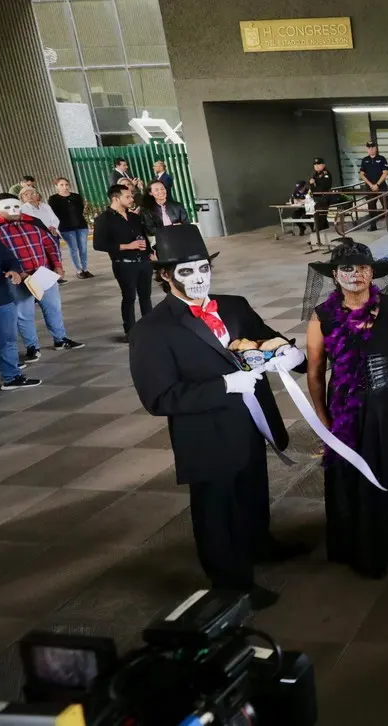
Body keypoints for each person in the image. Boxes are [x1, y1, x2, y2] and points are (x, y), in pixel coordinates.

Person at [129, 225, 307, 610]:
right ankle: (231, 585)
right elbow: (158, 398)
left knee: (253, 490)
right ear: (165, 274)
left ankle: (261, 545)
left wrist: (293, 356)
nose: (198, 279)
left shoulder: (235, 306)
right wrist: (226, 385)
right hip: (205, 435)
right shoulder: (151, 331)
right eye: (187, 272)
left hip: (251, 421)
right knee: (216, 510)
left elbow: (267, 339)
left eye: (203, 270)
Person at [304, 239, 388, 578]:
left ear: (373, 273)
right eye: (347, 268)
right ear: (334, 275)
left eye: (363, 267)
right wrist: (322, 418)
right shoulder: (322, 317)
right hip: (348, 412)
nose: (356, 274)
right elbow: (314, 373)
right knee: (354, 474)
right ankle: (361, 545)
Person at [0, 195, 82, 358]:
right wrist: (15, 271)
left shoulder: (34, 224)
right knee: (24, 313)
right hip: (17, 279)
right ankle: (32, 347)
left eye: (16, 206)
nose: (13, 211)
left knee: (53, 308)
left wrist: (58, 265)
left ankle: (60, 339)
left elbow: (50, 245)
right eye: (8, 207)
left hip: (43, 273)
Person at [0, 230, 40, 405]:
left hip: (2, 299)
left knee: (8, 340)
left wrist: (14, 270)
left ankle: (12, 377)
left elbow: (9, 258)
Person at [93, 184, 153, 339]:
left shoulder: (134, 217)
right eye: (127, 196)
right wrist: (127, 246)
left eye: (131, 196)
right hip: (124, 264)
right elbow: (98, 244)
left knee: (146, 296)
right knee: (129, 296)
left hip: (143, 262)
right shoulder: (103, 219)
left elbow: (143, 237)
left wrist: (150, 253)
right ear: (115, 198)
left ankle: (151, 327)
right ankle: (130, 331)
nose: (131, 199)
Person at [49, 178, 93, 279]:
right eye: (61, 185)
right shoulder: (54, 199)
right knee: (73, 248)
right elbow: (54, 213)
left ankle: (85, 269)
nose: (65, 187)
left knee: (83, 248)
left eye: (66, 184)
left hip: (81, 226)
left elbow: (80, 209)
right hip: (66, 228)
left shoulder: (76, 197)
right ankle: (78, 270)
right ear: (57, 186)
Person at [359, 142, 388, 231]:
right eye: (369, 148)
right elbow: (362, 174)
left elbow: (385, 172)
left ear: (376, 148)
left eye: (372, 147)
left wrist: (377, 184)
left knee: (387, 206)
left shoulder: (382, 159)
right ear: (367, 149)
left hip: (381, 187)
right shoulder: (365, 160)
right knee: (371, 207)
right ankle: (373, 226)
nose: (371, 149)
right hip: (369, 188)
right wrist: (371, 185)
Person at [307, 158, 334, 234]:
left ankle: (317, 235)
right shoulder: (314, 174)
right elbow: (311, 187)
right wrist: (311, 184)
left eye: (318, 164)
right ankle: (324, 233)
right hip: (317, 198)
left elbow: (324, 187)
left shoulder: (326, 174)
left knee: (320, 218)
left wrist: (313, 184)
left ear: (323, 165)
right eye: (315, 165)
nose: (316, 166)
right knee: (320, 218)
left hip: (324, 198)